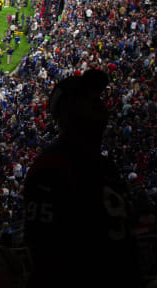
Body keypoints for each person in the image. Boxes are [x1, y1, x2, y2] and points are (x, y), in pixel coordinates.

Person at [23, 69, 139, 287]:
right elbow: (43, 249)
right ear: (67, 112)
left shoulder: (104, 165)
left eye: (98, 98)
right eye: (88, 99)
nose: (100, 105)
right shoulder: (51, 166)